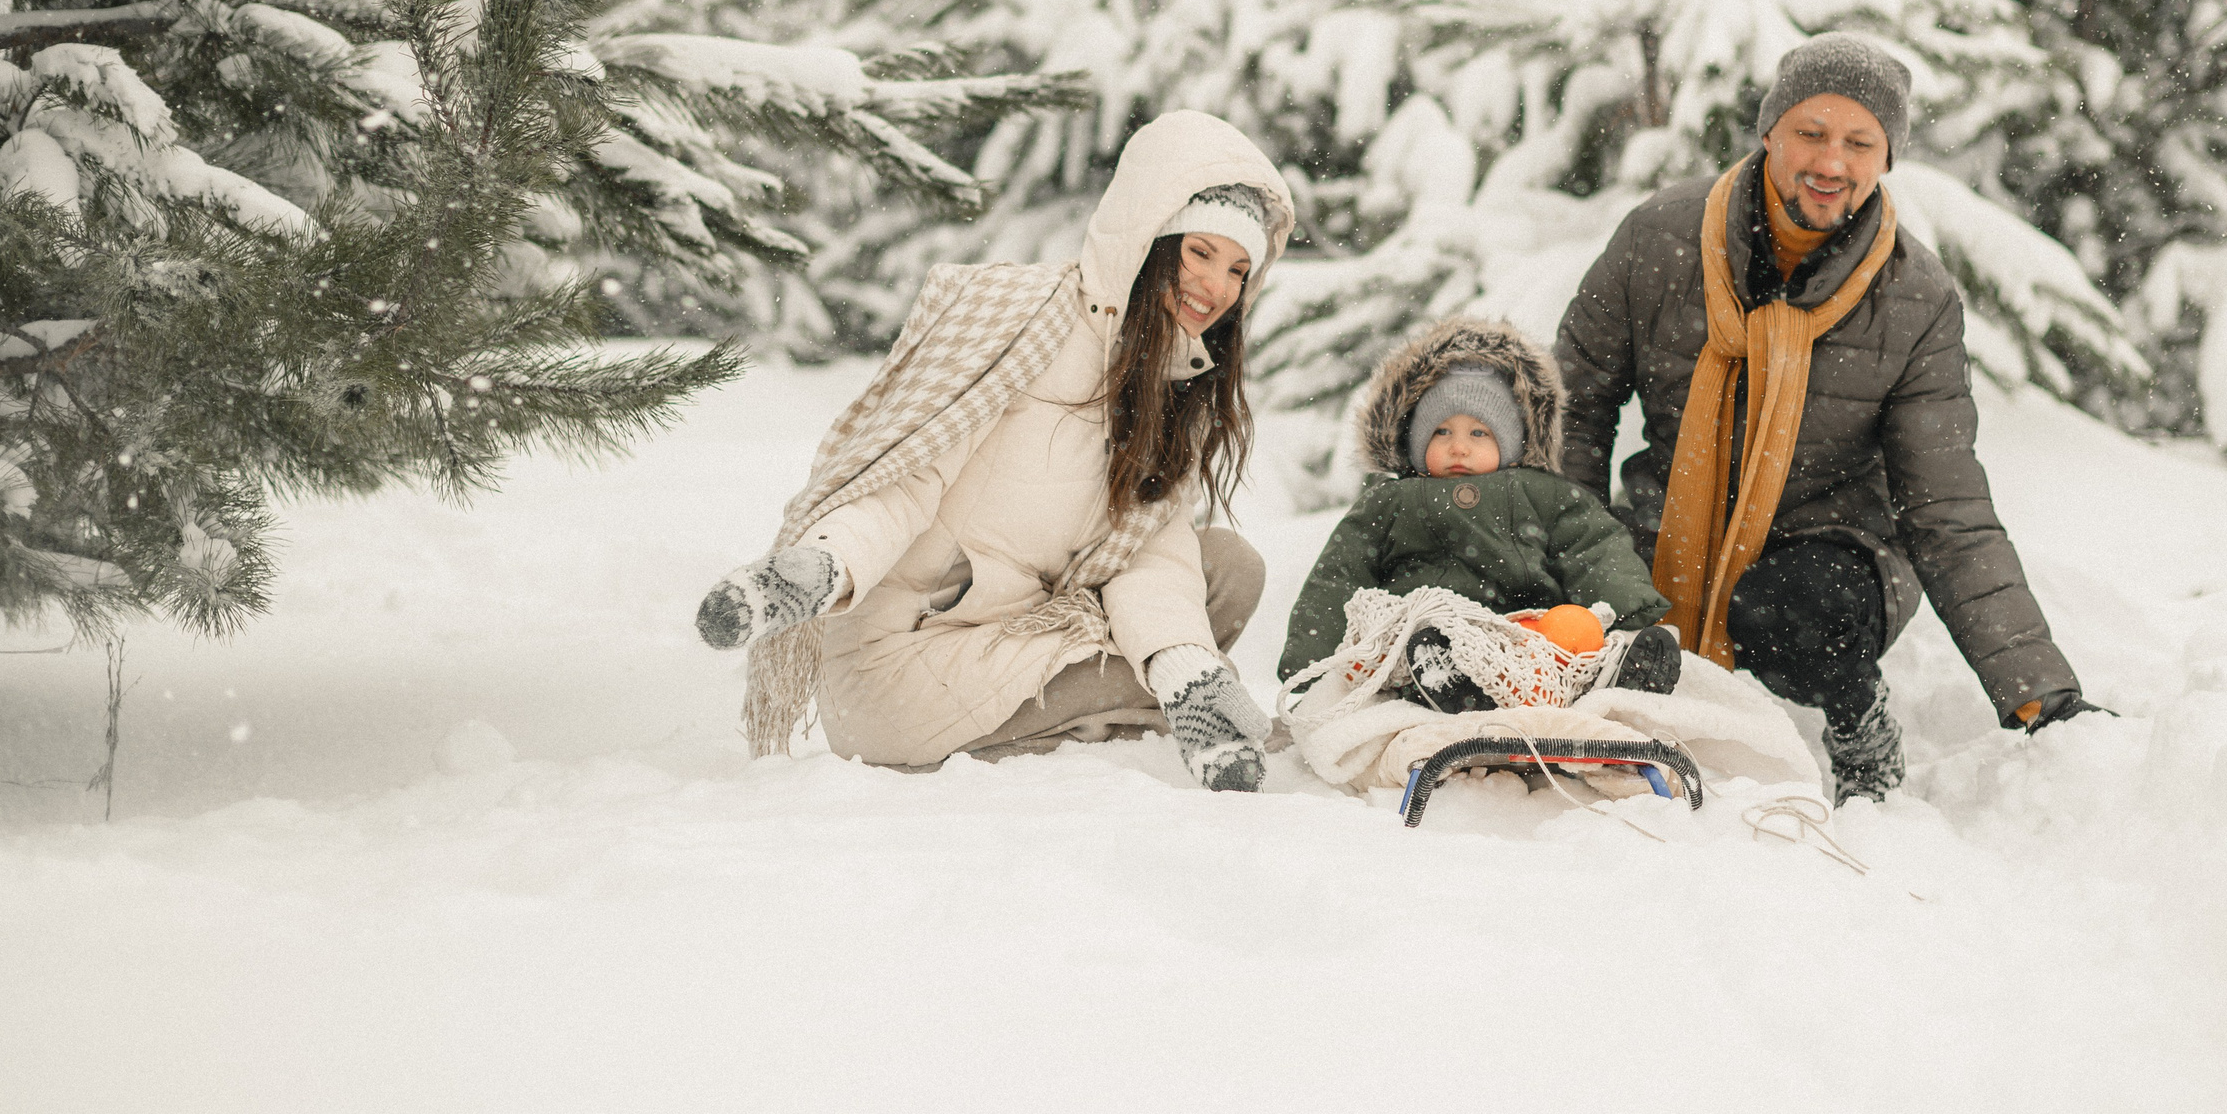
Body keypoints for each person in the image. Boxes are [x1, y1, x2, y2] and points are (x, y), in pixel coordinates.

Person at [1552, 32, 2097, 802]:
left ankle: (1857, 720)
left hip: (1833, 547)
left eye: (1859, 141)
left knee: (1791, 610)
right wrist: (1570, 556)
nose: (1830, 162)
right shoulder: (1661, 239)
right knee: (1608, 623)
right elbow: (1574, 404)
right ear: (1769, 131)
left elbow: (1946, 508)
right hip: (1671, 522)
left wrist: (2036, 689)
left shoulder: (1915, 299)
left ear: (1887, 158)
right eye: (1810, 131)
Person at [693, 110, 1293, 792]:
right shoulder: (1024, 320)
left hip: (1019, 628)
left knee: (1226, 570)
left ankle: (1141, 705)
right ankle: (1147, 714)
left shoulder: (1172, 384)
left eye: (1239, 269)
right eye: (1200, 253)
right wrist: (824, 566)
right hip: (899, 669)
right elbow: (907, 474)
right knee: (1147, 673)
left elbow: (1147, 556)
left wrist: (1186, 665)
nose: (1216, 287)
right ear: (1151, 237)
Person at [1279, 316, 1682, 714]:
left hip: (1523, 635)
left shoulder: (1544, 493)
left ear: (1510, 442)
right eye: (1441, 432)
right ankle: (1450, 683)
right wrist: (1312, 662)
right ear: (1414, 440)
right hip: (1425, 636)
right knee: (1399, 636)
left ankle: (1621, 673)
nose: (1459, 448)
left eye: (1479, 433)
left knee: (1573, 628)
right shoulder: (1390, 501)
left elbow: (1593, 548)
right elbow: (1341, 575)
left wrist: (1631, 612)